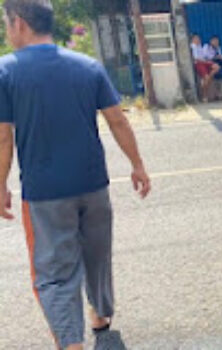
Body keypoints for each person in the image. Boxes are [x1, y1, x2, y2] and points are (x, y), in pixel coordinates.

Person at [0, 1, 151, 349]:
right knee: (97, 254)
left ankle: (70, 342)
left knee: (54, 274)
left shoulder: (7, 72)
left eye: (7, 24)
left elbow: (3, 137)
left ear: (19, 23)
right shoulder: (88, 66)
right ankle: (100, 315)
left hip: (45, 194)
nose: (8, 32)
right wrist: (137, 165)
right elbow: (118, 120)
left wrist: (1, 185)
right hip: (93, 185)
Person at [190, 33, 220, 102]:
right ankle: (204, 95)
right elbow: (196, 58)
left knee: (217, 67)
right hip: (199, 63)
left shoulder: (200, 46)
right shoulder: (193, 46)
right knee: (206, 78)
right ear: (193, 40)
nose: (198, 40)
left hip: (205, 62)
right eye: (196, 38)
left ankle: (208, 77)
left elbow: (204, 56)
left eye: (199, 38)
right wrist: (205, 61)